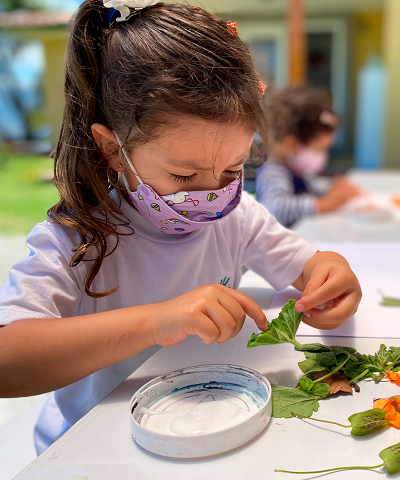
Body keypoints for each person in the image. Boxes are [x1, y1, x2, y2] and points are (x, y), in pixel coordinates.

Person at [0, 0, 362, 454]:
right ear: (113, 150)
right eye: (184, 177)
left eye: (232, 169)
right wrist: (158, 321)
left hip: (200, 426)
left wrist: (332, 273)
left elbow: (310, 267)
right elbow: (8, 360)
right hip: (92, 451)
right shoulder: (77, 238)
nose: (212, 194)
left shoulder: (239, 217)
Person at [255, 87, 360, 227]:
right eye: (319, 148)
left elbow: (310, 183)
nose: (324, 155)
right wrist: (321, 204)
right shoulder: (272, 173)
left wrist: (332, 187)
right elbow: (276, 207)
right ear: (291, 144)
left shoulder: (295, 167)